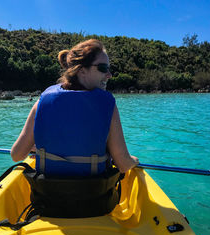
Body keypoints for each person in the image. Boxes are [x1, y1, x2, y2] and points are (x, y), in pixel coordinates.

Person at [11, 39, 138, 176]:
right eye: (103, 68)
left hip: (46, 196)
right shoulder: (108, 105)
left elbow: (16, 155)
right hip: (94, 195)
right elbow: (123, 164)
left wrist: (38, 149)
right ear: (82, 71)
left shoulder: (42, 102)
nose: (109, 75)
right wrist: (134, 160)